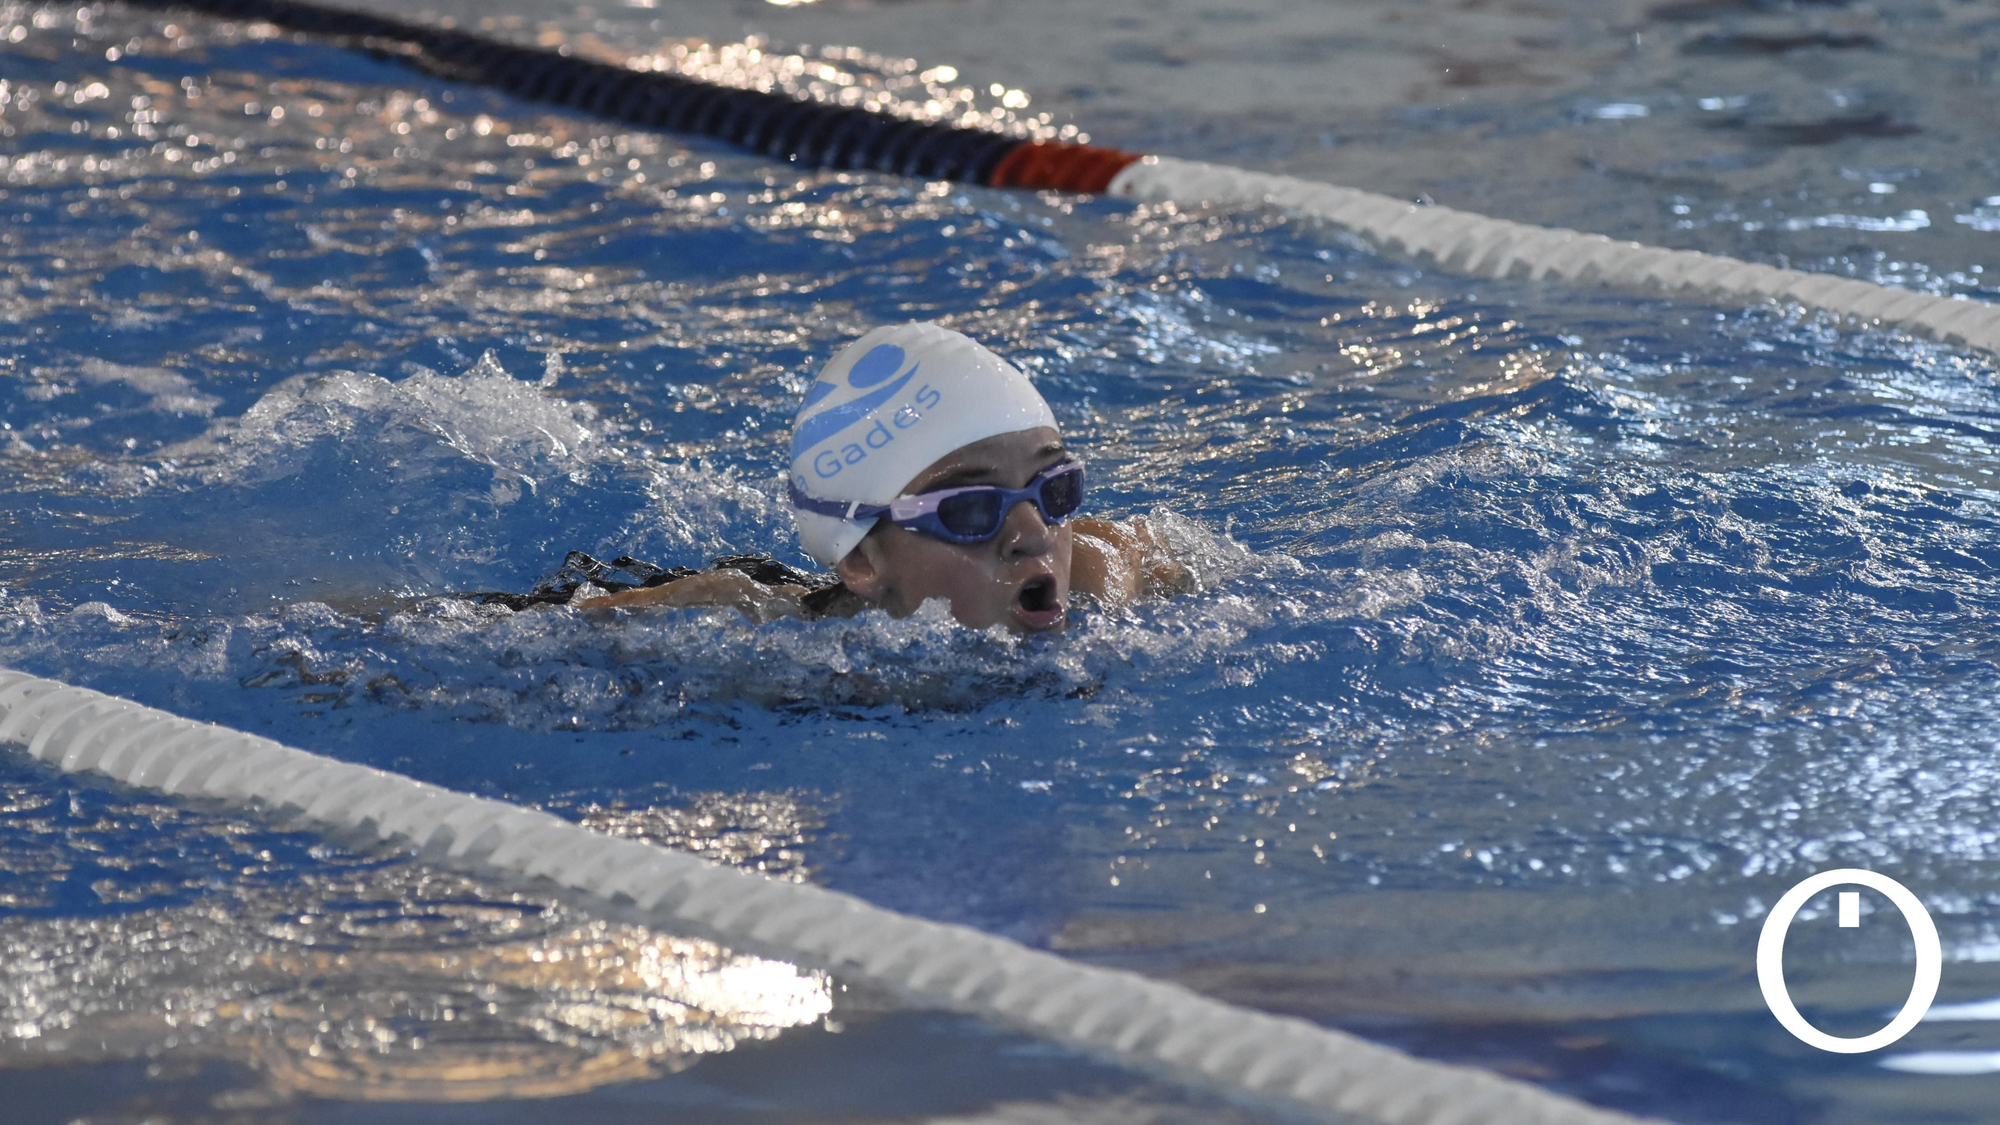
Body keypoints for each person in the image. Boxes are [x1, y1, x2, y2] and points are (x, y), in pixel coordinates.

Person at [560, 322, 1191, 632]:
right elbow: (546, 640)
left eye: (1054, 490)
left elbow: (1147, 549)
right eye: (971, 508)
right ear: (863, 561)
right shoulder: (768, 642)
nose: (1034, 534)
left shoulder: (1097, 581)